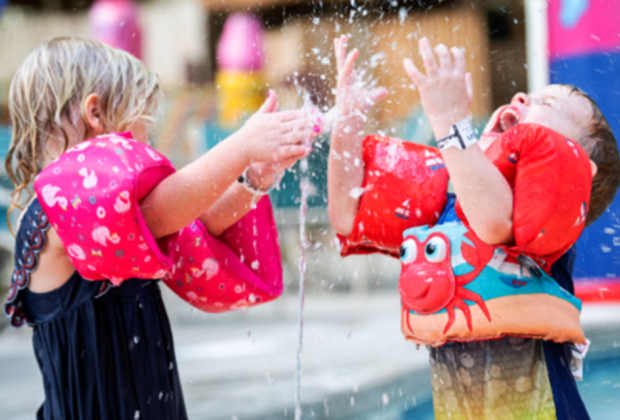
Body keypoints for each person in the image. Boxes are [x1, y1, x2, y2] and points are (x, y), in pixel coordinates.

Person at [3, 37, 320, 420]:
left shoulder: (127, 222)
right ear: (96, 113)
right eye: (143, 125)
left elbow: (193, 222)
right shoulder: (52, 217)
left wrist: (253, 179)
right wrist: (243, 146)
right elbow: (163, 214)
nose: (148, 141)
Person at [328, 34, 620, 419]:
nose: (520, 98)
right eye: (527, 94)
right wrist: (346, 124)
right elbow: (347, 215)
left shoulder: (547, 226)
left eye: (544, 104)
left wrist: (451, 123)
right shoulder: (445, 212)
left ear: (573, 167)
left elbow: (494, 223)